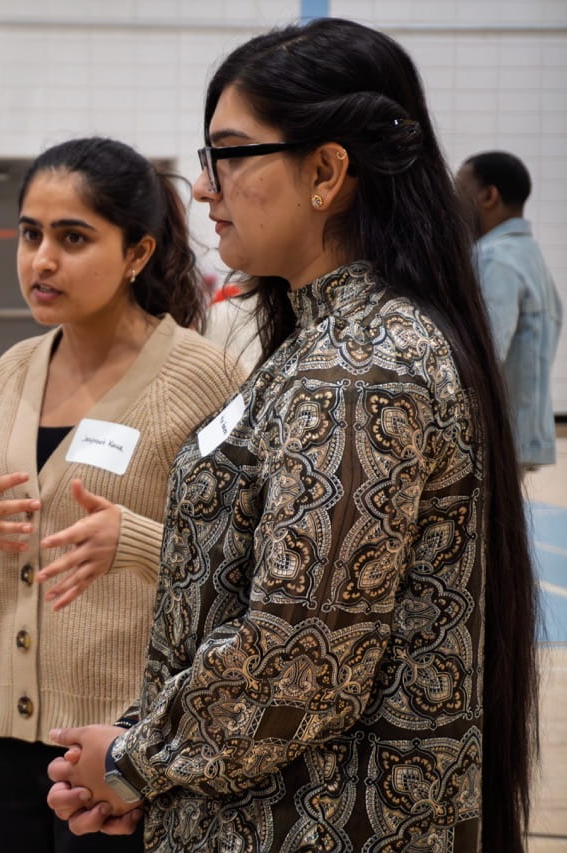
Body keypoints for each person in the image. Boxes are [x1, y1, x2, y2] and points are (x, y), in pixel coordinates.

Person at [45, 18, 538, 853]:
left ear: (326, 172)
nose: (204, 190)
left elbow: (302, 654)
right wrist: (163, 776)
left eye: (226, 155)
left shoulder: (358, 367)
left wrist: (136, 757)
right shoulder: (324, 344)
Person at [0, 137, 244, 852]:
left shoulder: (204, 377)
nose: (41, 260)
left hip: (126, 743)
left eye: (73, 238)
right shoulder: (12, 372)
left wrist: (134, 540)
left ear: (137, 252)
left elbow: (241, 572)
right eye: (31, 234)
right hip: (5, 738)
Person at [455, 151, 562, 471]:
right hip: (520, 435)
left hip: (498, 438)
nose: (453, 203)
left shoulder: (494, 258)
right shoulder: (529, 256)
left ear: (488, 196)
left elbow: (485, 351)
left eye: (460, 191)